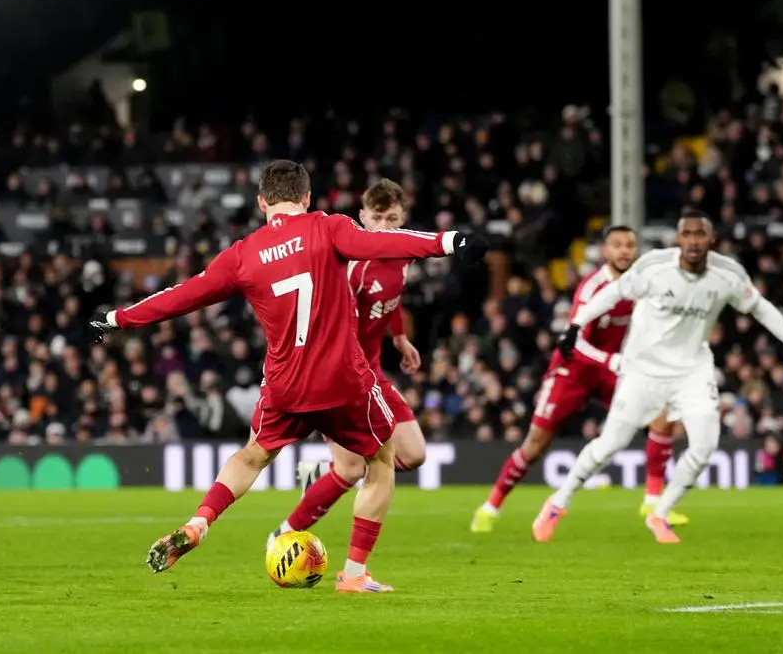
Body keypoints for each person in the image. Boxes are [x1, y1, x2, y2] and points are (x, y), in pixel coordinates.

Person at [87, 160, 489, 592]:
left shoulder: (242, 254)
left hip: (285, 385)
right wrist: (451, 241)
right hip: (342, 382)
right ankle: (354, 574)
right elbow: (383, 243)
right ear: (307, 198)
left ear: (262, 202)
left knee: (251, 457)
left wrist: (116, 318)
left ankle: (199, 522)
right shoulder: (329, 227)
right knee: (381, 461)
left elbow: (181, 297)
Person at [532, 209, 783, 544]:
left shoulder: (728, 273)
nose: (693, 241)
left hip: (692, 370)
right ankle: (557, 503)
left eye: (699, 235)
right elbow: (615, 292)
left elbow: (760, 308)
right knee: (610, 445)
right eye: (687, 235)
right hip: (644, 369)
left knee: (705, 446)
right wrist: (577, 323)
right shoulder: (655, 267)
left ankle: (660, 513)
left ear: (711, 239)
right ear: (679, 239)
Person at [471, 226, 689, 534]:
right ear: (605, 251)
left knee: (662, 414)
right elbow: (574, 342)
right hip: (573, 371)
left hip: (612, 372)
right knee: (534, 446)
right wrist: (611, 360)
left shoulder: (641, 286)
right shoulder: (592, 288)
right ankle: (490, 507)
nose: (625, 250)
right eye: (617, 245)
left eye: (630, 244)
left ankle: (653, 501)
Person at [265, 178, 428, 549]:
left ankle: (323, 475)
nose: (385, 227)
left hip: (374, 372)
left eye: (393, 219)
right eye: (377, 218)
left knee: (414, 454)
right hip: (344, 375)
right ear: (362, 217)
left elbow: (393, 297)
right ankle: (285, 534)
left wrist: (400, 338)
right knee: (353, 468)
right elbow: (334, 324)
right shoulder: (352, 265)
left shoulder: (402, 254)